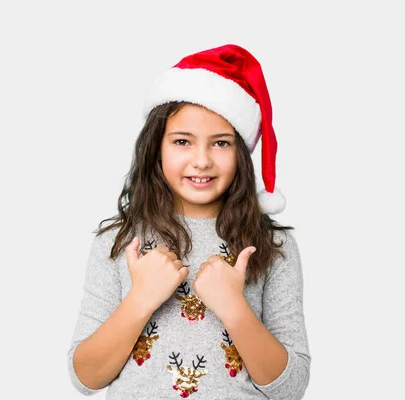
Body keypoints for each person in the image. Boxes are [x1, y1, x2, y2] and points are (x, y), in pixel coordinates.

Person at [67, 44, 311, 399]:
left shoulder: (273, 248)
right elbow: (86, 378)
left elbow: (290, 387)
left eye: (221, 144)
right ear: (157, 148)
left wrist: (234, 307)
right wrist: (141, 299)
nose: (201, 161)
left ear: (241, 153)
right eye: (183, 141)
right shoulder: (118, 241)